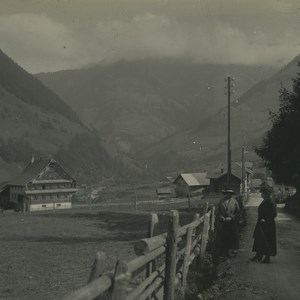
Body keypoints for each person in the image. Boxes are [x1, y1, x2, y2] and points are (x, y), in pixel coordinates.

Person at [250, 183, 277, 263]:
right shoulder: (265, 201)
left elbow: (274, 213)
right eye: (262, 193)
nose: (261, 195)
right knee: (259, 239)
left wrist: (266, 219)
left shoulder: (270, 202)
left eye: (263, 193)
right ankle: (258, 256)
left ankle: (267, 258)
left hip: (268, 224)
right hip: (261, 223)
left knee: (267, 240)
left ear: (266, 194)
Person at [216, 188, 241, 257]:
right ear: (225, 194)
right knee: (224, 237)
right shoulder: (221, 201)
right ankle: (225, 252)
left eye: (230, 194)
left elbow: (238, 212)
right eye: (227, 193)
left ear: (232, 195)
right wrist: (222, 218)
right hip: (224, 222)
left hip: (232, 222)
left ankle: (232, 252)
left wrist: (231, 218)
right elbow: (218, 212)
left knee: (233, 237)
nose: (229, 195)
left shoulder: (234, 201)